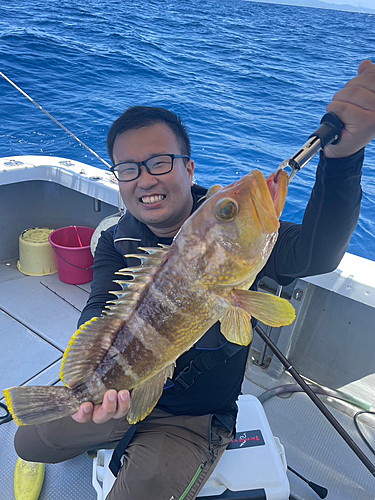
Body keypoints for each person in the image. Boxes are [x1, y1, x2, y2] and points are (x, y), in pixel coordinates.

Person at [15, 60, 375, 500]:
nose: (145, 177)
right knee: (27, 442)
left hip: (194, 416)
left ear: (188, 169)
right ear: (118, 179)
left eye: (160, 162)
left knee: (138, 491)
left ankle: (163, 448)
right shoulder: (115, 237)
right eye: (128, 168)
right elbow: (99, 308)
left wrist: (343, 158)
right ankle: (107, 431)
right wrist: (98, 385)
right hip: (123, 389)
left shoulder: (233, 242)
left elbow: (319, 252)